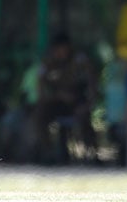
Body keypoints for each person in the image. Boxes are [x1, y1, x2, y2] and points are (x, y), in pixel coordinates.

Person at [32, 32, 99, 164]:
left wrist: (88, 104)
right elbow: (41, 85)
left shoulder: (80, 61)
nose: (60, 52)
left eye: (63, 49)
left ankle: (93, 155)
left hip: (79, 101)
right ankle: (48, 154)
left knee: (84, 118)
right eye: (57, 49)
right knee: (40, 114)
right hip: (58, 102)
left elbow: (92, 83)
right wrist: (57, 96)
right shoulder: (48, 63)